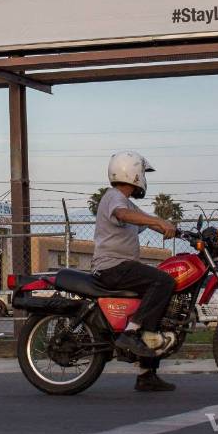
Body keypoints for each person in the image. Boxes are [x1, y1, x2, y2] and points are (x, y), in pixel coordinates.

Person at [92, 151, 178, 392]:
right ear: (133, 173)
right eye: (142, 173)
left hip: (122, 267)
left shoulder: (128, 203)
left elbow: (138, 219)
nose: (143, 178)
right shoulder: (114, 198)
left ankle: (146, 373)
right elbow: (123, 214)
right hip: (112, 266)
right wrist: (157, 222)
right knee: (163, 282)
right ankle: (131, 334)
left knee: (158, 308)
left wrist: (173, 229)